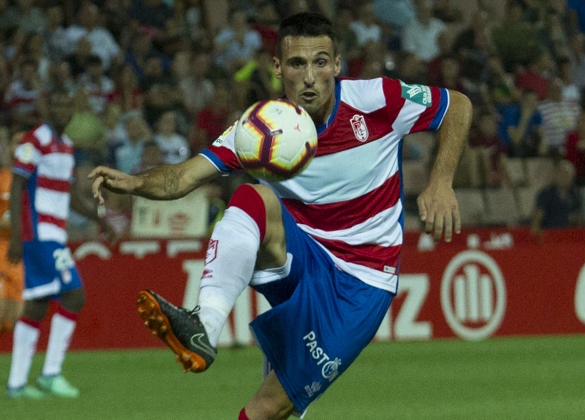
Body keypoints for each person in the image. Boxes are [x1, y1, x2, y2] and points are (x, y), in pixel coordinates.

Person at [88, 12, 471, 420]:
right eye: (296, 63)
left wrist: (441, 182)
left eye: (320, 62)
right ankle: (206, 325)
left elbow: (457, 106)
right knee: (254, 197)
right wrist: (132, 184)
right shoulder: (259, 129)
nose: (309, 76)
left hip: (361, 280)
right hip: (298, 255)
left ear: (337, 65)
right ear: (277, 68)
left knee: (267, 410)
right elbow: (180, 178)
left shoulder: (376, 99)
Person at [6, 88, 114, 399]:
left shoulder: (66, 146)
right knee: (75, 295)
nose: (62, 110)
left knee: (38, 305)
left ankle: (16, 384)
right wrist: (16, 234)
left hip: (53, 232)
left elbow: (69, 196)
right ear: (47, 107)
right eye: (56, 104)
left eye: (67, 105)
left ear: (73, 111)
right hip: (37, 233)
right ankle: (50, 374)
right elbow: (16, 187)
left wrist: (101, 220)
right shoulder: (33, 141)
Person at [0, 131, 23, 335]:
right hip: (1, 248)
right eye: (16, 142)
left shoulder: (33, 181)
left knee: (17, 320)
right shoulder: (2, 178)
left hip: (23, 252)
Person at [531, 160, 581, 233]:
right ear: (555, 175)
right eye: (561, 174)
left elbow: (578, 217)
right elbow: (537, 217)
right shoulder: (545, 194)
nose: (564, 178)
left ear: (572, 178)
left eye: (567, 175)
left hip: (568, 234)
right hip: (549, 233)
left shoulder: (575, 195)